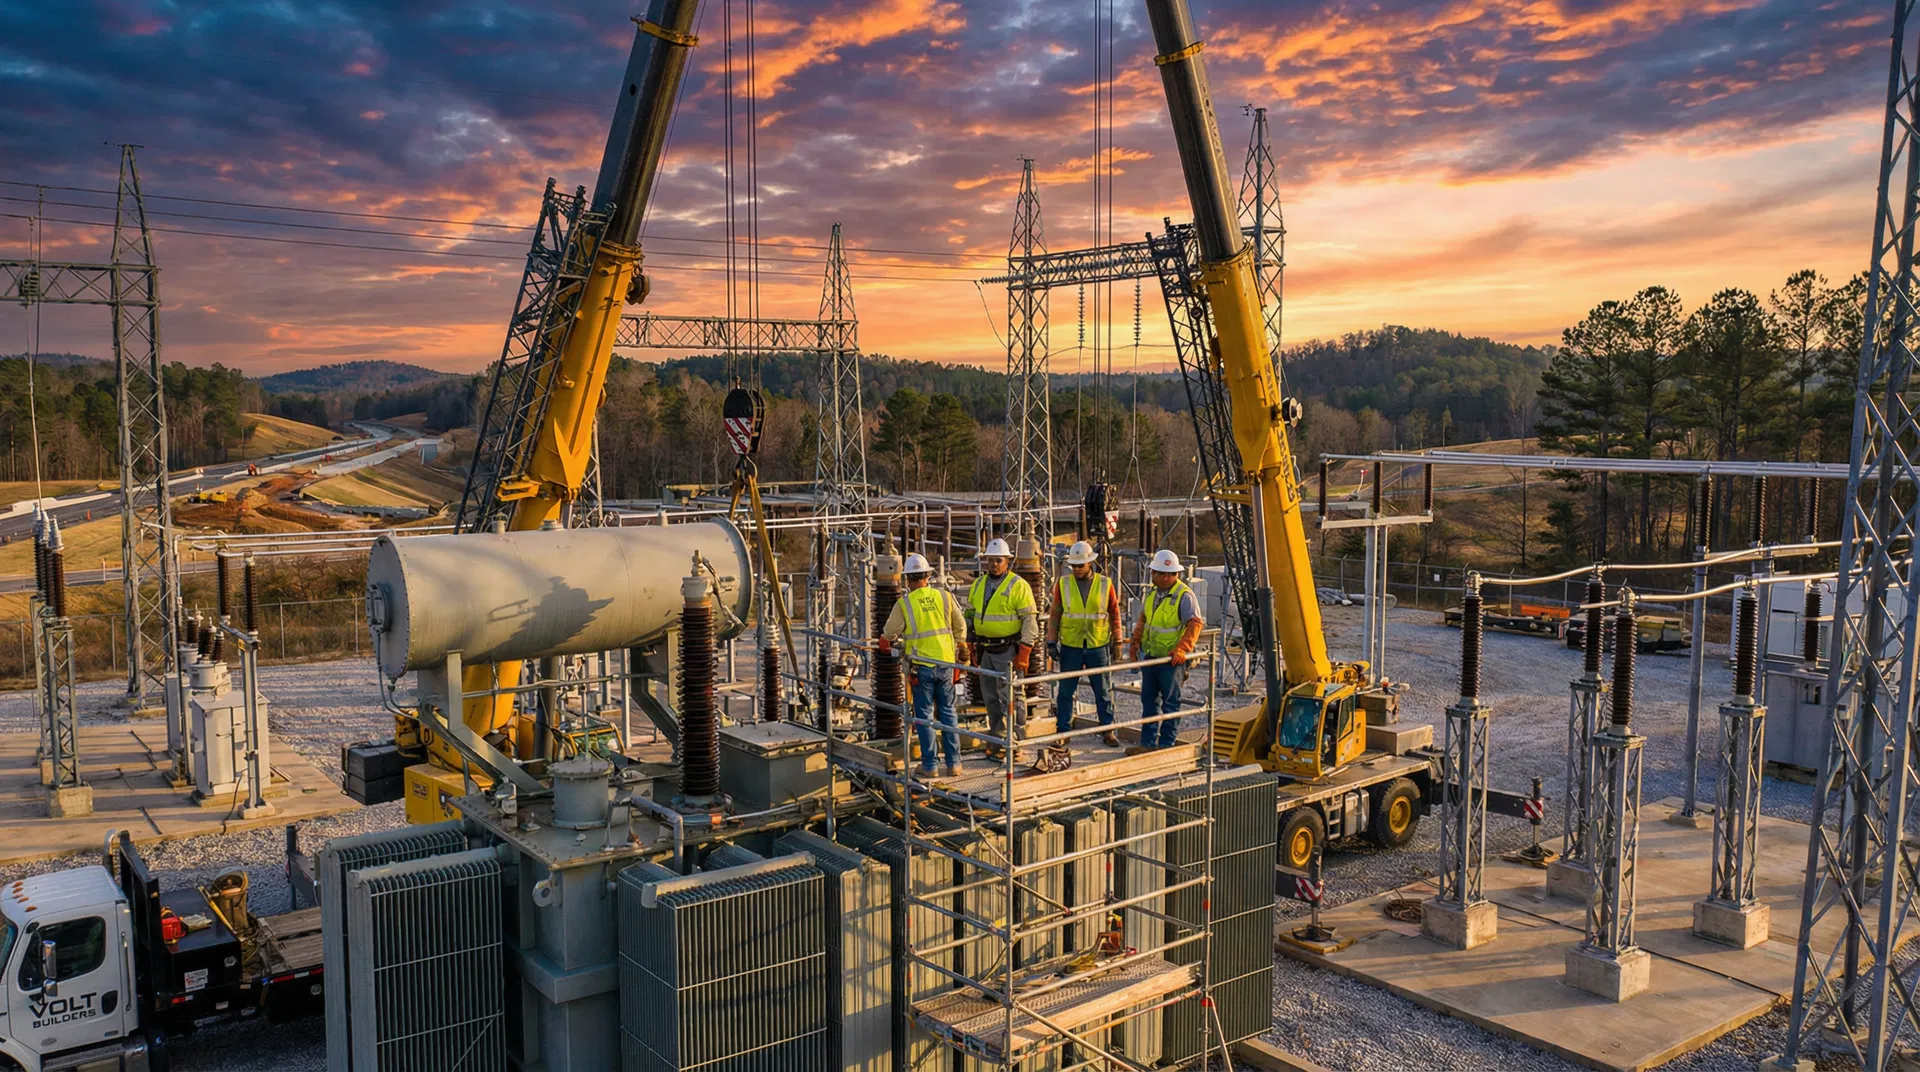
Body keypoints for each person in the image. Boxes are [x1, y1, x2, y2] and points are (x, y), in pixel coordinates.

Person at [881, 552, 968, 778]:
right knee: (948, 713)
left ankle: (930, 766)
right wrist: (960, 646)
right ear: (927, 576)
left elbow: (889, 634)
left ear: (907, 579)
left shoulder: (905, 603)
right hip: (946, 665)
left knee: (924, 716)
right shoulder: (945, 597)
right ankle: (955, 764)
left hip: (922, 667)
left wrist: (885, 642)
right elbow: (960, 626)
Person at [966, 536, 1038, 762]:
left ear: (1008, 561)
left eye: (998, 560)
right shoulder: (978, 584)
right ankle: (997, 738)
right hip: (986, 649)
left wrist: (1024, 652)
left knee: (1012, 698)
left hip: (1009, 650)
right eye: (990, 560)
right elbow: (970, 616)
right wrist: (968, 644)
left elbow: (1030, 620)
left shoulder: (1018, 586)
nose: (994, 564)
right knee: (991, 698)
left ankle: (1015, 742)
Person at [1127, 549, 1204, 753]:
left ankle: (1167, 746)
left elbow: (1195, 623)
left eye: (1170, 573)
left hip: (1172, 660)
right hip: (1152, 656)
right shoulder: (1152, 594)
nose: (1166, 576)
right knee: (1149, 702)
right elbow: (1144, 619)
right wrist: (1135, 643)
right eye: (1161, 573)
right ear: (1154, 573)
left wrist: (1182, 649)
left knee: (1171, 703)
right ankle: (1148, 744)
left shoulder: (1184, 595)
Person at [1048, 540, 1123, 746]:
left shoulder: (1105, 584)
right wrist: (1051, 641)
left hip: (1097, 645)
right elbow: (1055, 614)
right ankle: (1063, 731)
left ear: (1090, 563)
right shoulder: (1063, 584)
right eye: (1074, 565)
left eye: (1080, 565)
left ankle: (1107, 729)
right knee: (1065, 691)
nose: (1077, 569)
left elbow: (1114, 613)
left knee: (1103, 690)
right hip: (1071, 645)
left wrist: (1117, 640)